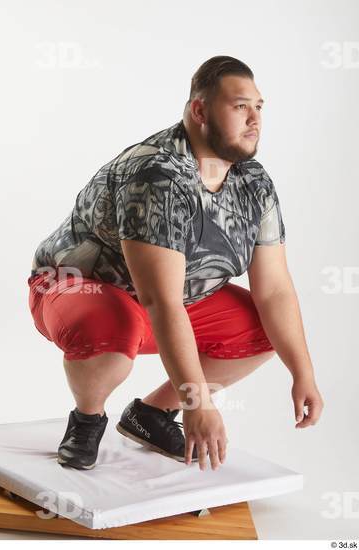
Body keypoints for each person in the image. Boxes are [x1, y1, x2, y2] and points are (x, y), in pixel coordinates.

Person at [27, 55, 324, 472]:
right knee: (116, 331)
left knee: (264, 330)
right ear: (199, 111)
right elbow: (160, 301)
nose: (254, 119)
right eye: (240, 106)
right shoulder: (157, 174)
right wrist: (198, 401)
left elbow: (274, 289)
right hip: (80, 288)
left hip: (167, 301)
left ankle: (150, 415)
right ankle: (87, 419)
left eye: (259, 107)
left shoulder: (254, 181)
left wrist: (303, 372)